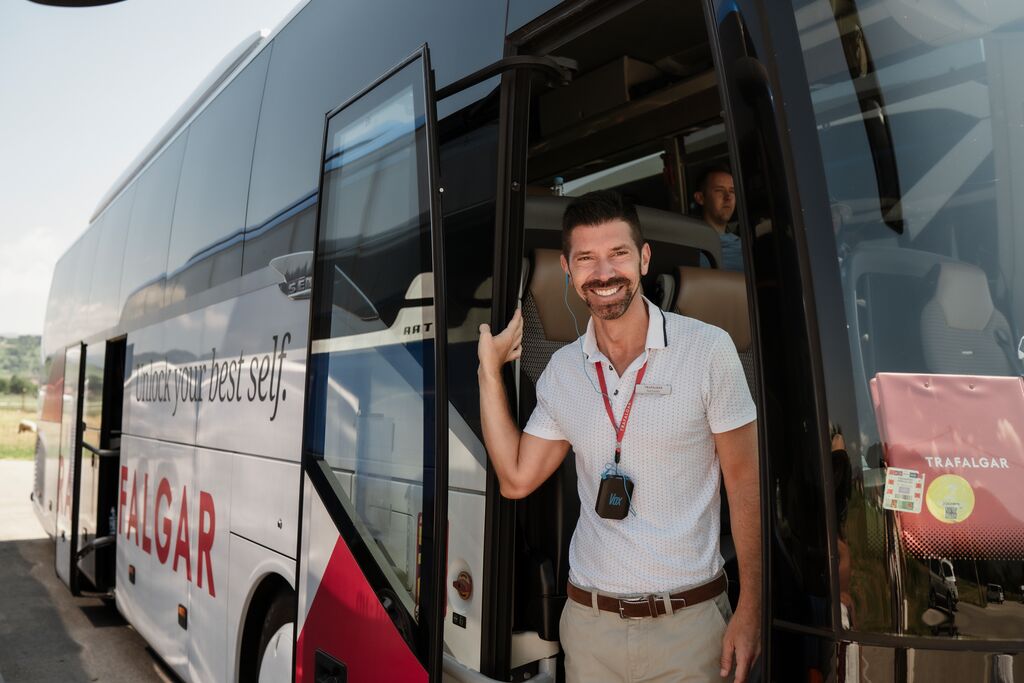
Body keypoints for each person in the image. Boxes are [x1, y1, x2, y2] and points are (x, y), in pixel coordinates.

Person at [477, 190, 761, 682]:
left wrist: (753, 606)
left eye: (618, 254)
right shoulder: (564, 370)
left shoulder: (708, 350)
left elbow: (746, 484)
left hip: (689, 628)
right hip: (590, 629)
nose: (604, 273)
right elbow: (516, 478)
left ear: (644, 259)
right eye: (586, 258)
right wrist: (487, 370)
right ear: (567, 268)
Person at [694, 166, 743, 272]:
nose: (728, 197)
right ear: (700, 198)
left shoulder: (743, 244)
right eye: (719, 190)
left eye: (732, 191)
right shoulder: (691, 248)